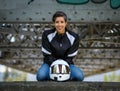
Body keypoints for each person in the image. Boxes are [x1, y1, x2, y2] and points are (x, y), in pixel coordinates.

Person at [36, 11, 84, 81]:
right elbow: (47, 54)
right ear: (54, 23)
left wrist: (62, 67)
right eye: (57, 22)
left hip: (67, 64)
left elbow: (70, 56)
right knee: (40, 76)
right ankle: (52, 79)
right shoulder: (46, 35)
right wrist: (56, 66)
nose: (59, 25)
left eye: (62, 22)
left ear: (66, 23)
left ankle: (66, 79)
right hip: (49, 64)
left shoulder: (74, 37)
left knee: (79, 76)